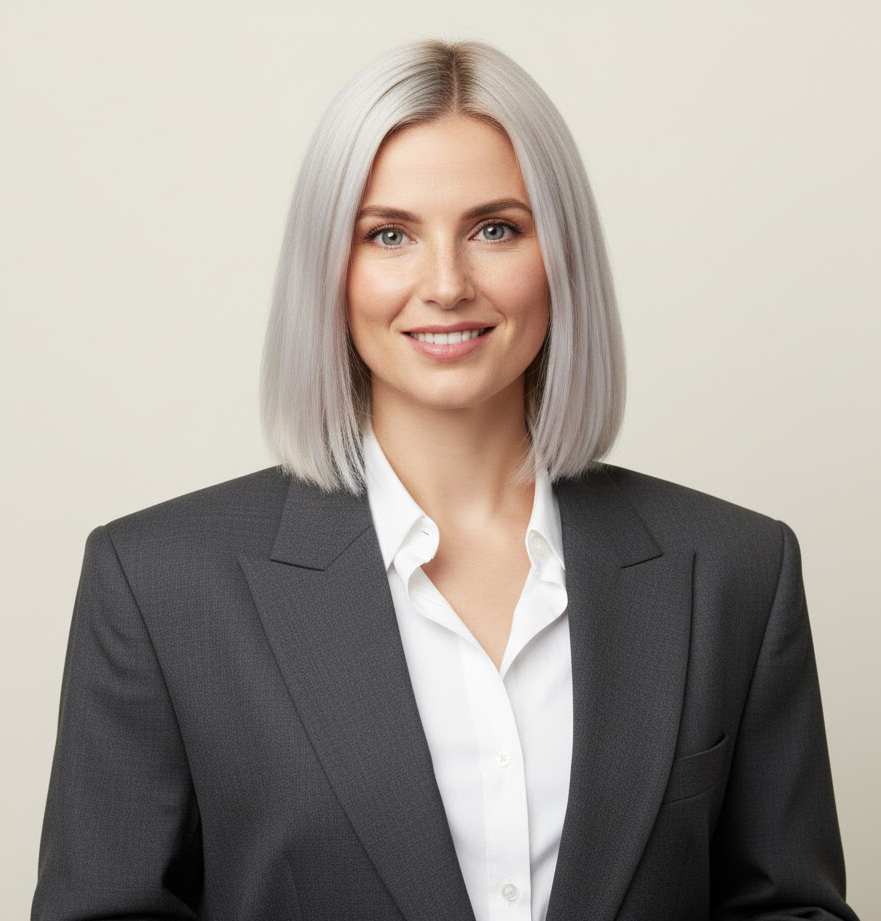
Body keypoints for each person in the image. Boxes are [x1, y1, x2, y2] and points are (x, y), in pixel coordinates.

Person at [31, 37, 860, 921]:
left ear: (561, 256)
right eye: (388, 234)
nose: (446, 283)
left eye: (494, 228)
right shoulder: (161, 582)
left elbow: (786, 906)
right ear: (329, 269)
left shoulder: (735, 566)